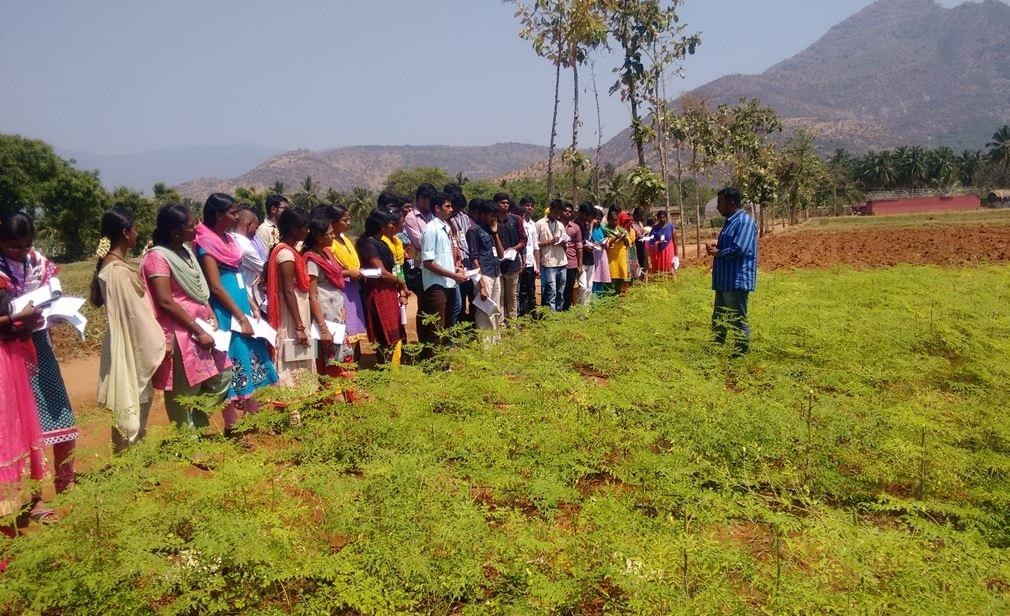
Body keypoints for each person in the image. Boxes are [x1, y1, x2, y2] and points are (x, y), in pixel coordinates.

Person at [0, 212, 78, 507]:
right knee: (21, 427)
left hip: (40, 348)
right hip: (9, 355)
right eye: (12, 247)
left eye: (25, 245)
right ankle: (33, 499)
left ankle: (65, 484)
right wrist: (17, 319)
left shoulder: (37, 264)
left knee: (60, 417)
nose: (20, 252)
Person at [142, 204, 233, 430]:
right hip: (181, 330)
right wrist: (197, 329)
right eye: (192, 225)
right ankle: (187, 440)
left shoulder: (187, 252)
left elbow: (199, 290)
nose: (197, 228)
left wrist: (208, 312)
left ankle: (199, 420)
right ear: (175, 231)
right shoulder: (158, 258)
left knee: (223, 375)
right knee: (183, 390)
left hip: (202, 324)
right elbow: (165, 300)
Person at [195, 194, 279, 431]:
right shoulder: (205, 244)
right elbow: (216, 286)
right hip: (226, 314)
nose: (236, 216)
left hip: (241, 304)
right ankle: (232, 425)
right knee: (231, 365)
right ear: (218, 216)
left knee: (253, 359)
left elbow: (239, 275)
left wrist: (251, 305)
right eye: (232, 213)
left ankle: (255, 419)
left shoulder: (230, 240)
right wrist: (240, 317)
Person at [90, 208, 167, 452]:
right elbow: (136, 317)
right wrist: (161, 341)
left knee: (131, 402)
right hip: (130, 345)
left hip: (124, 342)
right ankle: (130, 464)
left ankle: (130, 461)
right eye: (134, 229)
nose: (137, 233)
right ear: (125, 233)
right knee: (133, 402)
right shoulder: (118, 273)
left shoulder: (114, 267)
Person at [0, 298, 46, 522]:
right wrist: (16, 318)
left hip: (10, 355)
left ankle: (14, 508)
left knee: (13, 431)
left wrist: (27, 325)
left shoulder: (5, 276)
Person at [303, 214, 354, 398]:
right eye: (330, 234)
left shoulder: (327, 254)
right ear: (318, 237)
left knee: (344, 356)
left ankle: (348, 396)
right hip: (326, 317)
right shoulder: (311, 260)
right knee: (332, 360)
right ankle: (335, 399)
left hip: (336, 314)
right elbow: (312, 295)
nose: (333, 237)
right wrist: (323, 327)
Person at [266, 208, 316, 386]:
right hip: (291, 318)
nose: (308, 231)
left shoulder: (290, 251)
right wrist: (299, 326)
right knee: (291, 364)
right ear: (295, 229)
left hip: (297, 314)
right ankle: (293, 411)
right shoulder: (285, 254)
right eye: (305, 227)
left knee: (299, 361)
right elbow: (288, 291)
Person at [706, 187, 758, 356]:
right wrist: (717, 246)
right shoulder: (731, 222)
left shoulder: (743, 222)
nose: (718, 207)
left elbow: (739, 249)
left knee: (737, 320)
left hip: (736, 281)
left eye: (720, 203)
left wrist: (718, 252)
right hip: (724, 281)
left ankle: (740, 354)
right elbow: (731, 245)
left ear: (731, 203)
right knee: (719, 318)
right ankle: (715, 350)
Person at [357, 209, 409, 365]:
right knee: (384, 333)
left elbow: (393, 270)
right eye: (390, 223)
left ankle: (393, 368)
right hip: (378, 292)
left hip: (389, 290)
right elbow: (382, 272)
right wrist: (399, 282)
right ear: (382, 226)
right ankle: (384, 370)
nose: (393, 226)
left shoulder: (382, 243)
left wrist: (401, 287)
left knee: (394, 331)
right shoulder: (368, 244)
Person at [419, 193, 465, 355]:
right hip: (437, 285)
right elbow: (428, 262)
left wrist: (456, 268)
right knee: (436, 328)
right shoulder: (431, 230)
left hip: (449, 283)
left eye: (451, 206)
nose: (451, 209)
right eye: (447, 206)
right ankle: (434, 366)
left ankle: (443, 363)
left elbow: (445, 257)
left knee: (447, 325)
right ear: (437, 208)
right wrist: (453, 275)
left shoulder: (446, 228)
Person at [330, 204, 369, 357]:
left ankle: (353, 366)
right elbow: (329, 269)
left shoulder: (345, 239)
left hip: (352, 289)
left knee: (354, 329)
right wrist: (348, 272)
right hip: (341, 290)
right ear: (333, 222)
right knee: (344, 329)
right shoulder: (329, 243)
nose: (348, 223)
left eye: (349, 220)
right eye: (344, 220)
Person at [466, 200, 505, 343]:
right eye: (490, 215)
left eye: (495, 215)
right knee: (483, 313)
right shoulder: (473, 231)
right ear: (481, 214)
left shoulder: (492, 230)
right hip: (484, 276)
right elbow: (474, 259)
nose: (493, 218)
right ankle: (485, 348)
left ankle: (495, 344)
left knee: (494, 310)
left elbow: (501, 255)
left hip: (495, 273)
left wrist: (495, 233)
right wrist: (481, 284)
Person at [493, 192, 527, 322]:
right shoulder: (492, 220)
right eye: (502, 202)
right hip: (497, 264)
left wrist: (514, 248)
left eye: (507, 202)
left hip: (513, 264)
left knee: (512, 296)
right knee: (499, 296)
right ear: (496, 204)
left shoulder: (516, 219)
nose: (505, 205)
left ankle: (513, 323)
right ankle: (500, 324)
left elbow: (524, 240)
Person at [232, 205, 268, 311]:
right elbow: (265, 269)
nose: (256, 232)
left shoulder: (231, 239)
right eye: (256, 228)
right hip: (249, 297)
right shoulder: (245, 246)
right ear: (249, 225)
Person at [536, 199, 568, 312]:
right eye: (556, 212)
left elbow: (566, 245)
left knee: (560, 292)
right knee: (551, 292)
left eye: (559, 213)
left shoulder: (560, 225)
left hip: (562, 262)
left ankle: (558, 316)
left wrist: (563, 243)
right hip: (549, 263)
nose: (557, 215)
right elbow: (535, 244)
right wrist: (549, 242)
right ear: (551, 209)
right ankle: (551, 319)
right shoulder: (540, 224)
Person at [516, 197, 540, 316]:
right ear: (521, 206)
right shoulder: (517, 222)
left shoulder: (533, 224)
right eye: (527, 205)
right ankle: (521, 316)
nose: (529, 208)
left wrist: (537, 266)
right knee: (520, 291)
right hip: (519, 262)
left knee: (531, 291)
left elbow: (535, 247)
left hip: (530, 262)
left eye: (531, 205)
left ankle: (532, 316)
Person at [604, 207, 634, 296]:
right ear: (608, 220)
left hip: (621, 260)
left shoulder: (622, 230)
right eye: (613, 220)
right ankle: (609, 302)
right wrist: (615, 238)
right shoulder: (605, 230)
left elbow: (629, 242)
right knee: (610, 283)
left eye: (616, 220)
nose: (615, 222)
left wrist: (624, 237)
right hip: (611, 261)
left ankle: (617, 300)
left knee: (621, 282)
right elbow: (605, 244)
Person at [561, 202, 584, 310]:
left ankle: (566, 311)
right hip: (557, 262)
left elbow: (579, 247)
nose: (567, 213)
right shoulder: (556, 225)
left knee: (569, 288)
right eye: (566, 211)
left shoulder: (575, 228)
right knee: (558, 288)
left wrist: (579, 265)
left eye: (570, 212)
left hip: (571, 262)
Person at [576, 203, 597, 305]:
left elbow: (584, 240)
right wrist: (585, 246)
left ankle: (586, 312)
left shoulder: (586, 225)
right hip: (581, 261)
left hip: (590, 259)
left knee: (589, 287)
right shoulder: (575, 225)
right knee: (583, 287)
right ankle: (580, 311)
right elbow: (575, 243)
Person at [648, 209, 677, 274]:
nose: (662, 219)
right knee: (659, 271)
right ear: (658, 218)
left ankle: (672, 282)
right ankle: (660, 282)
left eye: (664, 217)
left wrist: (676, 255)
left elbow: (675, 241)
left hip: (669, 252)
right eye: (660, 217)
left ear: (666, 218)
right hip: (658, 253)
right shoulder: (654, 229)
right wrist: (657, 243)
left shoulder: (671, 227)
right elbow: (650, 241)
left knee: (670, 268)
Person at [590, 207, 611, 296]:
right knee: (594, 277)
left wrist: (607, 242)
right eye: (596, 218)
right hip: (593, 254)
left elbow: (609, 237)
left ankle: (600, 297)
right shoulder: (590, 228)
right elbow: (588, 237)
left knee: (601, 276)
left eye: (600, 219)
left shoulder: (602, 228)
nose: (598, 221)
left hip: (602, 254)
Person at [631, 206, 649, 282]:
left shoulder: (640, 223)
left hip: (642, 244)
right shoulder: (632, 224)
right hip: (636, 245)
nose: (638, 217)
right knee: (637, 263)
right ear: (634, 215)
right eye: (637, 215)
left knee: (644, 262)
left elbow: (641, 232)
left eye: (640, 216)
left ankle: (644, 279)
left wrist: (645, 234)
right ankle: (637, 280)